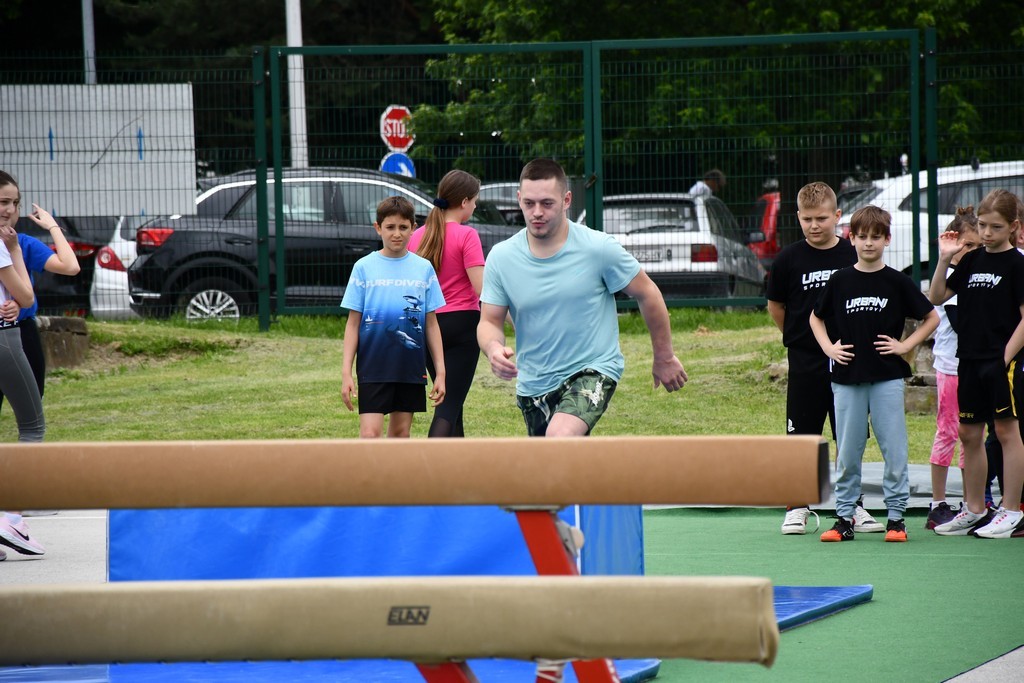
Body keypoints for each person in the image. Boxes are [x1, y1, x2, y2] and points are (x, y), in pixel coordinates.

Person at [477, 158, 688, 440]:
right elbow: (489, 321)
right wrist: (493, 348)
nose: (537, 212)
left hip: (593, 368)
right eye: (529, 204)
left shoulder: (598, 248)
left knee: (560, 436)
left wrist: (664, 356)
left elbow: (647, 292)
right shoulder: (502, 257)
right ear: (519, 199)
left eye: (547, 203)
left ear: (566, 200)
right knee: (554, 470)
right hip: (535, 383)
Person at [810, 205, 938, 542]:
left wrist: (904, 346)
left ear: (887, 239)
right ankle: (844, 518)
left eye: (876, 237)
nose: (869, 243)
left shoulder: (897, 281)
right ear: (851, 239)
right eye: (862, 236)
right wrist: (828, 349)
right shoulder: (839, 280)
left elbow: (931, 317)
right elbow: (815, 318)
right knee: (849, 451)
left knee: (893, 448)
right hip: (847, 378)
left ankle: (896, 518)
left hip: (886, 378)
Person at [766, 181, 883, 535]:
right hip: (805, 361)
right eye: (807, 219)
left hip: (849, 360)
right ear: (797, 217)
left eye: (821, 218)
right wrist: (804, 338)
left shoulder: (852, 254)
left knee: (850, 436)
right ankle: (797, 505)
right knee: (802, 435)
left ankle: (853, 505)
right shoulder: (788, 259)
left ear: (837, 216)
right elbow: (776, 307)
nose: (814, 226)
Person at [928, 188, 1024, 538]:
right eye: (982, 225)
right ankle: (974, 509)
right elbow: (937, 296)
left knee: (1005, 432)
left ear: (1013, 227)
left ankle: (1011, 510)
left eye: (995, 227)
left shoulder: (1018, 264)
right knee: (969, 433)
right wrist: (944, 258)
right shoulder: (971, 260)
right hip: (966, 359)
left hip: (1000, 363)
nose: (986, 233)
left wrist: (1004, 358)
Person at [340, 196, 446, 438]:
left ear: (413, 229)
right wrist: (346, 371)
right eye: (390, 227)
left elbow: (431, 324)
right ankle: (368, 478)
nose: (396, 233)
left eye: (403, 227)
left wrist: (440, 371)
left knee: (400, 435)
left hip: (409, 367)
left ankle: (394, 478)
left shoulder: (424, 268)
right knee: (370, 435)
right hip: (373, 366)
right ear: (378, 228)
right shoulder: (363, 267)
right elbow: (352, 324)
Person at [408, 170, 484, 437]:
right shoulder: (467, 235)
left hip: (427, 327)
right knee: (448, 408)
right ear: (464, 202)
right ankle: (429, 470)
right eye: (475, 200)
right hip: (462, 325)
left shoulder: (417, 236)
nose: (475, 206)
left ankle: (456, 474)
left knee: (454, 405)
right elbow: (482, 289)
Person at [0, 181, 81, 411]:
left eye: (15, 203)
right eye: (3, 202)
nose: (11, 210)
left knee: (32, 412)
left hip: (23, 332)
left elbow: (71, 267)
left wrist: (53, 227)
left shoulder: (23, 244)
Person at [0, 171, 47, 560]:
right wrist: (13, 251)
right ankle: (10, 515)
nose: (8, 211)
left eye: (12, 203)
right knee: (32, 426)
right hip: (5, 337)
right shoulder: (4, 244)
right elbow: (26, 293)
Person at [926, 207, 980, 529]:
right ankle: (937, 503)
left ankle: (971, 501)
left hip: (975, 369)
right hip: (951, 368)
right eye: (967, 245)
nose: (972, 252)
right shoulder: (948, 279)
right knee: (948, 433)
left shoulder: (983, 275)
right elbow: (962, 324)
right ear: (953, 243)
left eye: (976, 246)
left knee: (973, 435)